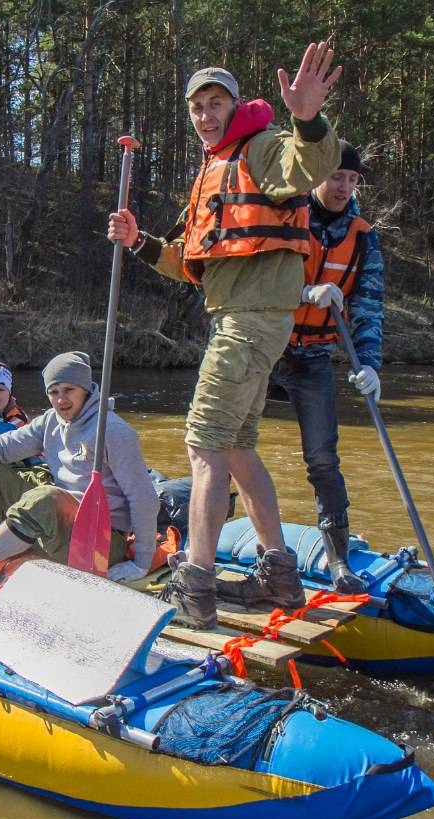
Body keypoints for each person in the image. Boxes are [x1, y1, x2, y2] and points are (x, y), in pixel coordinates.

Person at [106, 46, 342, 628]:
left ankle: (196, 585)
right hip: (247, 318)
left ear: (235, 106)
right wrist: (139, 241)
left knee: (203, 445)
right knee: (236, 446)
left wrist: (308, 118)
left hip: (250, 320)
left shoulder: (259, 148)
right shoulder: (213, 170)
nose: (206, 115)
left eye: (216, 104)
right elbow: (190, 259)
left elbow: (311, 166)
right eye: (198, 108)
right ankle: (280, 577)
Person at [0, 351, 159, 596]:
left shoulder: (113, 431)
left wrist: (141, 563)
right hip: (62, 524)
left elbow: (144, 498)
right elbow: (4, 445)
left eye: (69, 390)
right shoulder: (50, 421)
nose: (61, 400)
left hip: (100, 542)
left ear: (87, 390)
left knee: (45, 497)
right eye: (54, 392)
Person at [257, 139, 384, 597]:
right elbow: (256, 282)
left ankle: (338, 560)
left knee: (323, 459)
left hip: (313, 357)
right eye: (336, 177)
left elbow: (368, 305)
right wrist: (304, 293)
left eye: (352, 180)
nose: (343, 187)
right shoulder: (287, 214)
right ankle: (223, 536)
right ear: (316, 176)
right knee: (228, 441)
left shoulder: (364, 234)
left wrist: (369, 364)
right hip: (265, 347)